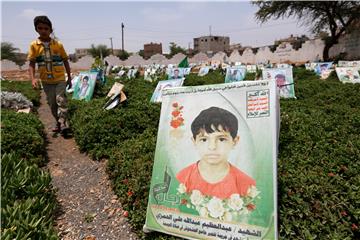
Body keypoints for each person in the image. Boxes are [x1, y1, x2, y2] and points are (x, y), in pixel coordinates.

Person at [176, 106, 256, 199]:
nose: (212, 147)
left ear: (235, 141)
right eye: (204, 139)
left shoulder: (247, 186)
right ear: (194, 142)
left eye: (221, 139)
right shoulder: (181, 179)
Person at [28, 16, 71, 132]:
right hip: (46, 81)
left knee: (61, 99)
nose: (43, 31)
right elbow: (31, 64)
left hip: (60, 79)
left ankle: (63, 123)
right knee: (52, 104)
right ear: (36, 29)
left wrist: (69, 78)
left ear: (50, 30)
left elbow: (65, 61)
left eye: (46, 28)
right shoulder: (34, 46)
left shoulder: (58, 45)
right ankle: (57, 122)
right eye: (40, 28)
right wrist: (33, 79)